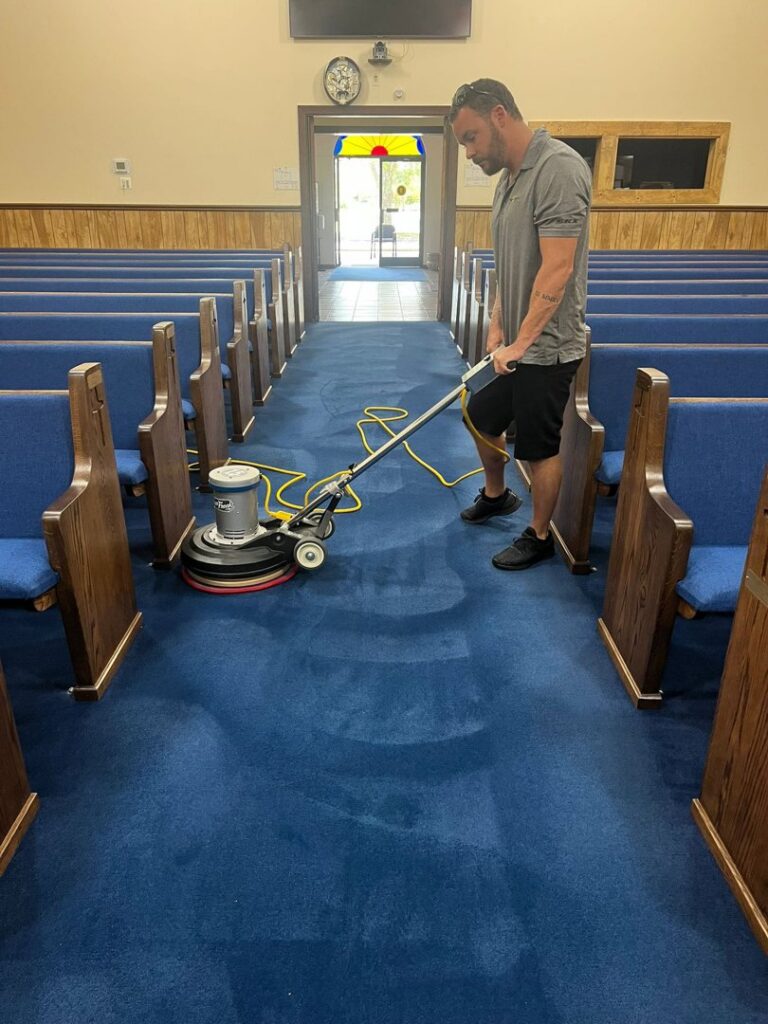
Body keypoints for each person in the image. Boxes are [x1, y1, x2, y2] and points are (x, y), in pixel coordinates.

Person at [450, 79, 591, 570]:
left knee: (538, 448)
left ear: (500, 117)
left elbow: (557, 267)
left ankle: (539, 535)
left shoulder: (558, 169)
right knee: (481, 415)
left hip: (549, 347)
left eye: (470, 138)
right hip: (516, 341)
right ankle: (498, 495)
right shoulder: (507, 180)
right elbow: (509, 264)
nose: (468, 153)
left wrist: (523, 342)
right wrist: (496, 325)